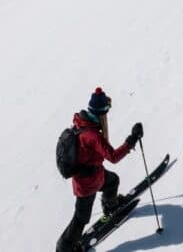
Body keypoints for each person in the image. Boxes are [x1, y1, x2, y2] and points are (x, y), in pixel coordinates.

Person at [56, 88, 144, 252]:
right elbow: (113, 157)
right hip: (88, 185)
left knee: (113, 181)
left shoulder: (81, 123)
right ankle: (65, 247)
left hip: (94, 176)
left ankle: (111, 207)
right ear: (102, 113)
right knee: (81, 218)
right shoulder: (93, 136)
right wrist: (132, 140)